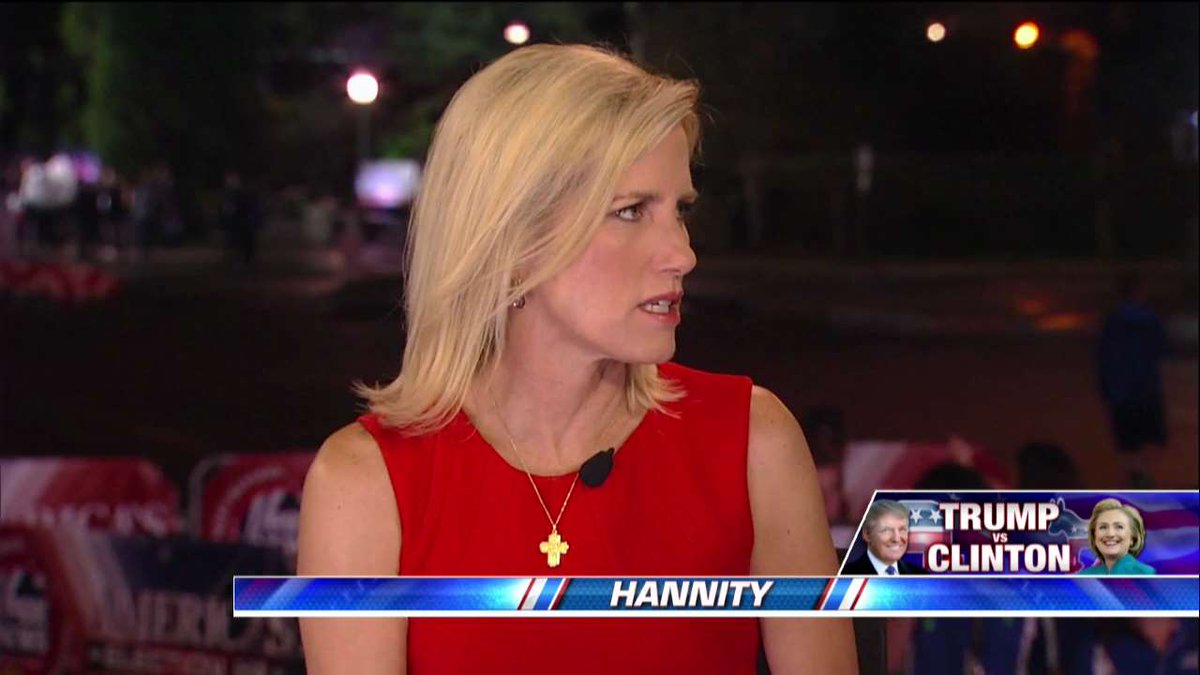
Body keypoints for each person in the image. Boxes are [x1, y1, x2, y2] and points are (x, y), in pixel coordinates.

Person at [296, 44, 857, 674]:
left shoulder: (752, 441)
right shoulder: (364, 485)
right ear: (514, 239)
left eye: (679, 211)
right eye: (630, 211)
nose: (682, 254)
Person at [1097, 274, 1169, 487]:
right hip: (1144, 386)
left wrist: (1106, 385)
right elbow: (1163, 347)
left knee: (1127, 438)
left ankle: (1137, 473)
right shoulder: (1149, 318)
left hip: (1122, 388)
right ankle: (1141, 473)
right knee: (1149, 436)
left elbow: (1103, 354)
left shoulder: (1112, 320)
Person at [841, 500, 927, 575]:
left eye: (902, 530)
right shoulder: (845, 575)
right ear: (867, 534)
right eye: (887, 530)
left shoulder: (921, 575)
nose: (896, 539)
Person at [1078, 498, 1155, 575]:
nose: (1110, 534)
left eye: (1119, 527)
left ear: (1132, 538)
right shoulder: (1085, 575)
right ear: (1094, 536)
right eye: (1103, 527)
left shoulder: (1146, 573)